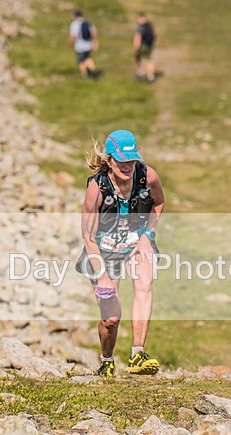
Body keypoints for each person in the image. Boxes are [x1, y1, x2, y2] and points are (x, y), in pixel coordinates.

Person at [77, 130, 165, 377]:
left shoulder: (148, 176)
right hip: (103, 250)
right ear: (109, 160)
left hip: (137, 242)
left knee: (144, 284)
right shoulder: (96, 189)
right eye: (121, 161)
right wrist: (102, 273)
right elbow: (87, 236)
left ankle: (138, 354)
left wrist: (148, 235)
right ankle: (107, 360)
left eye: (131, 160)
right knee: (111, 319)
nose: (127, 166)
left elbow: (158, 203)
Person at [69, 10, 99, 79]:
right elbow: (94, 32)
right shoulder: (88, 22)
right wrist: (94, 41)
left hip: (79, 46)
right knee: (88, 58)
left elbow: (73, 36)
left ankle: (84, 76)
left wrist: (70, 43)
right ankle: (93, 70)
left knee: (81, 61)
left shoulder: (74, 24)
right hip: (88, 45)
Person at [133, 13, 156, 83]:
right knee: (149, 61)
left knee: (138, 59)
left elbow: (138, 37)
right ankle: (151, 77)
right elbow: (154, 35)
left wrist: (136, 47)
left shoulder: (139, 27)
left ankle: (139, 73)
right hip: (149, 45)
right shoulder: (150, 25)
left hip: (142, 45)